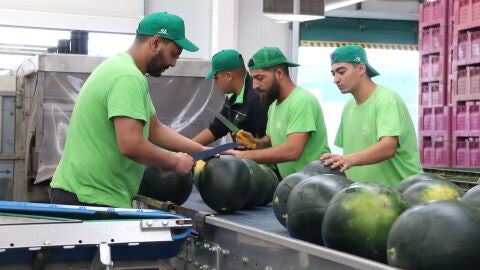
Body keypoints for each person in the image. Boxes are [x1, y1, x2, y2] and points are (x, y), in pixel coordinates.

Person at [50, 12, 207, 208]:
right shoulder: (128, 77)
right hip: (90, 199)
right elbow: (131, 143)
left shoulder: (120, 68)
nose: (174, 63)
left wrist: (200, 150)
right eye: (174, 54)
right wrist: (175, 162)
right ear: (155, 43)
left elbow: (155, 129)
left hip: (86, 194)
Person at [320, 45, 422, 187]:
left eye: (341, 72)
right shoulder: (348, 108)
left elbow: (388, 147)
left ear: (361, 69)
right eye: (333, 74)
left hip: (398, 195)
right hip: (364, 197)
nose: (336, 79)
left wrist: (349, 159)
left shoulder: (386, 100)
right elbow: (351, 152)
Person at [226, 47, 330, 179]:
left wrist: (244, 156)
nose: (254, 86)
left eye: (259, 78)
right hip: (294, 185)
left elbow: (293, 151)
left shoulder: (302, 101)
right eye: (253, 79)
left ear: (279, 73)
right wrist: (256, 143)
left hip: (316, 186)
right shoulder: (274, 105)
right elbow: (271, 140)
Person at [192, 49, 267, 146]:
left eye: (216, 77)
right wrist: (186, 148)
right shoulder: (232, 96)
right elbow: (218, 127)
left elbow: (269, 142)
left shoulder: (256, 100)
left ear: (228, 76)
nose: (215, 82)